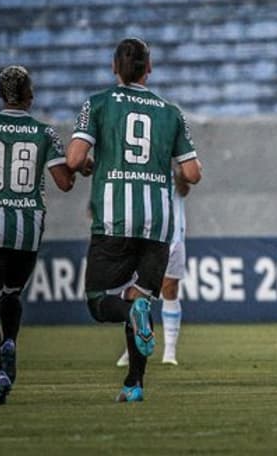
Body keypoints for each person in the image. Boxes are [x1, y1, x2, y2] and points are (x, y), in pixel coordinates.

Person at [66, 37, 202, 403]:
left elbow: (75, 158)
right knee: (140, 296)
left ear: (114, 67)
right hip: (158, 223)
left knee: (99, 300)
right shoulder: (170, 111)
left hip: (113, 219)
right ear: (149, 68)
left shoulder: (96, 104)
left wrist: (93, 164)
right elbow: (192, 172)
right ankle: (134, 384)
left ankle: (133, 314)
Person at [0, 65, 78, 405]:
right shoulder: (45, 133)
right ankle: (11, 341)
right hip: (26, 232)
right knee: (11, 294)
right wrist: (76, 170)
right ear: (30, 96)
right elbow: (64, 183)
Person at [116, 169, 191, 368]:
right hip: (141, 233)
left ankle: (170, 351)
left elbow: (184, 190)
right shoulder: (138, 163)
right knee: (133, 291)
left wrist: (178, 173)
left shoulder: (175, 160)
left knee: (170, 288)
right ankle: (131, 347)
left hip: (173, 233)